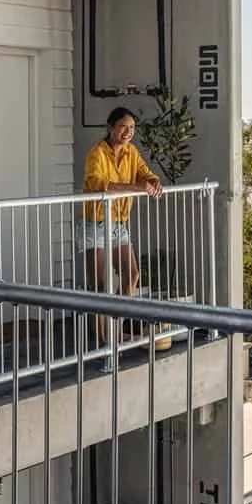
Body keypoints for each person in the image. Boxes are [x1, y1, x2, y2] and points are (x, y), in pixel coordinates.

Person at [78, 107, 162, 369]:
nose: (128, 132)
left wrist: (152, 181)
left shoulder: (131, 152)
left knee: (132, 274)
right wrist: (137, 187)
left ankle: (115, 326)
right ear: (110, 127)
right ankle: (106, 342)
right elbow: (99, 185)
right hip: (96, 223)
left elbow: (144, 172)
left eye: (132, 128)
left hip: (119, 223)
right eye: (124, 127)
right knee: (101, 286)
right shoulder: (97, 154)